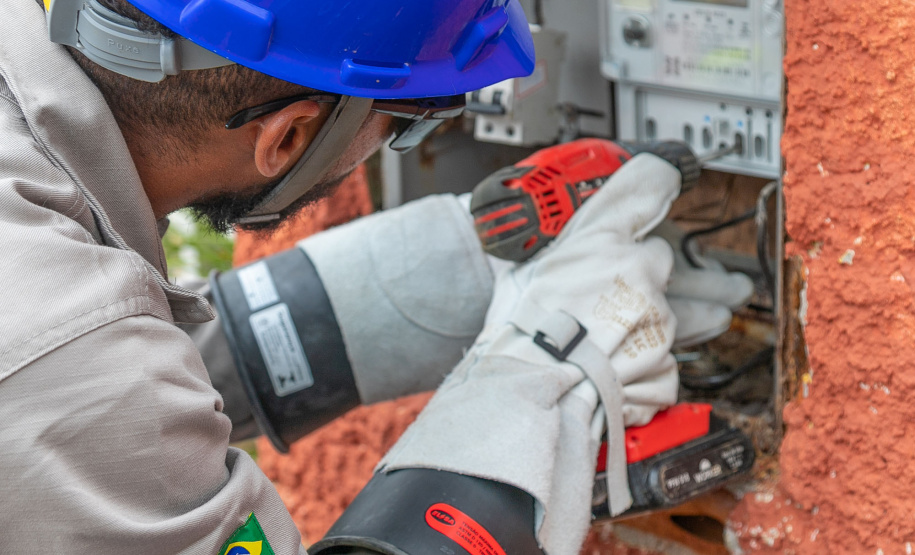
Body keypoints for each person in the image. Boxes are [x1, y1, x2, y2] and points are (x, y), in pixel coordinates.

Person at [0, 1, 746, 553]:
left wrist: (426, 276)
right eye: (404, 120)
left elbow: (78, 406)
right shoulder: (75, 363)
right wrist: (542, 390)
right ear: (289, 135)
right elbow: (82, 388)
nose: (395, 142)